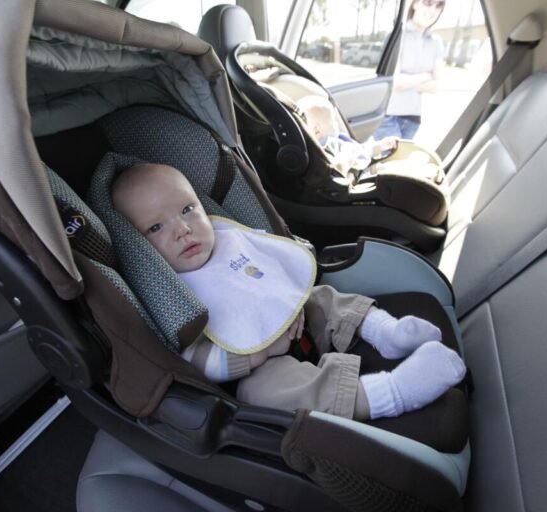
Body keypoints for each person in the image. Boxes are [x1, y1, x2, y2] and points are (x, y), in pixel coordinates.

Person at [112, 163, 466, 421]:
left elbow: (279, 270)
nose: (183, 229)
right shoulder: (169, 292)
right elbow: (196, 358)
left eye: (188, 209)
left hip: (301, 321)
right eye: (156, 227)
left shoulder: (230, 239)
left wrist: (290, 301)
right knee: (266, 393)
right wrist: (258, 355)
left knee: (324, 297)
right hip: (262, 365)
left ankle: (386, 332)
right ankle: (392, 393)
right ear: (138, 247)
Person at [374, 0, 446, 140]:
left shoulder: (436, 42)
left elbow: (435, 86)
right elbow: (397, 82)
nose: (433, 10)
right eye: (428, 3)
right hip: (388, 117)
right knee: (390, 161)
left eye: (438, 6)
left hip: (413, 119)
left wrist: (409, 80)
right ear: (415, 4)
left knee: (402, 161)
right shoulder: (396, 35)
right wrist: (426, 75)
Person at [297, 94, 398, 177]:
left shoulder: (303, 148)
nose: (337, 125)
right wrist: (376, 147)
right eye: (334, 122)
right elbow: (360, 157)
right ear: (317, 132)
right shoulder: (333, 144)